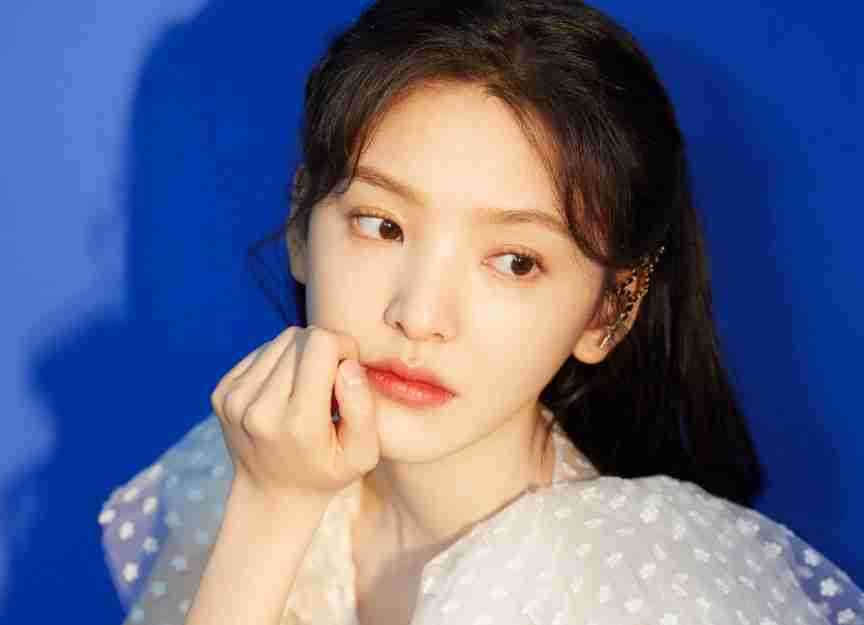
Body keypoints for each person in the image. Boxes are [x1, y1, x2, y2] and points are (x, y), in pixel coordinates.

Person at [99, 1, 863, 624]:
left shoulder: (657, 594)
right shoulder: (253, 466)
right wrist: (270, 513)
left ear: (607, 312)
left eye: (515, 261)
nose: (420, 315)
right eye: (382, 225)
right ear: (302, 225)